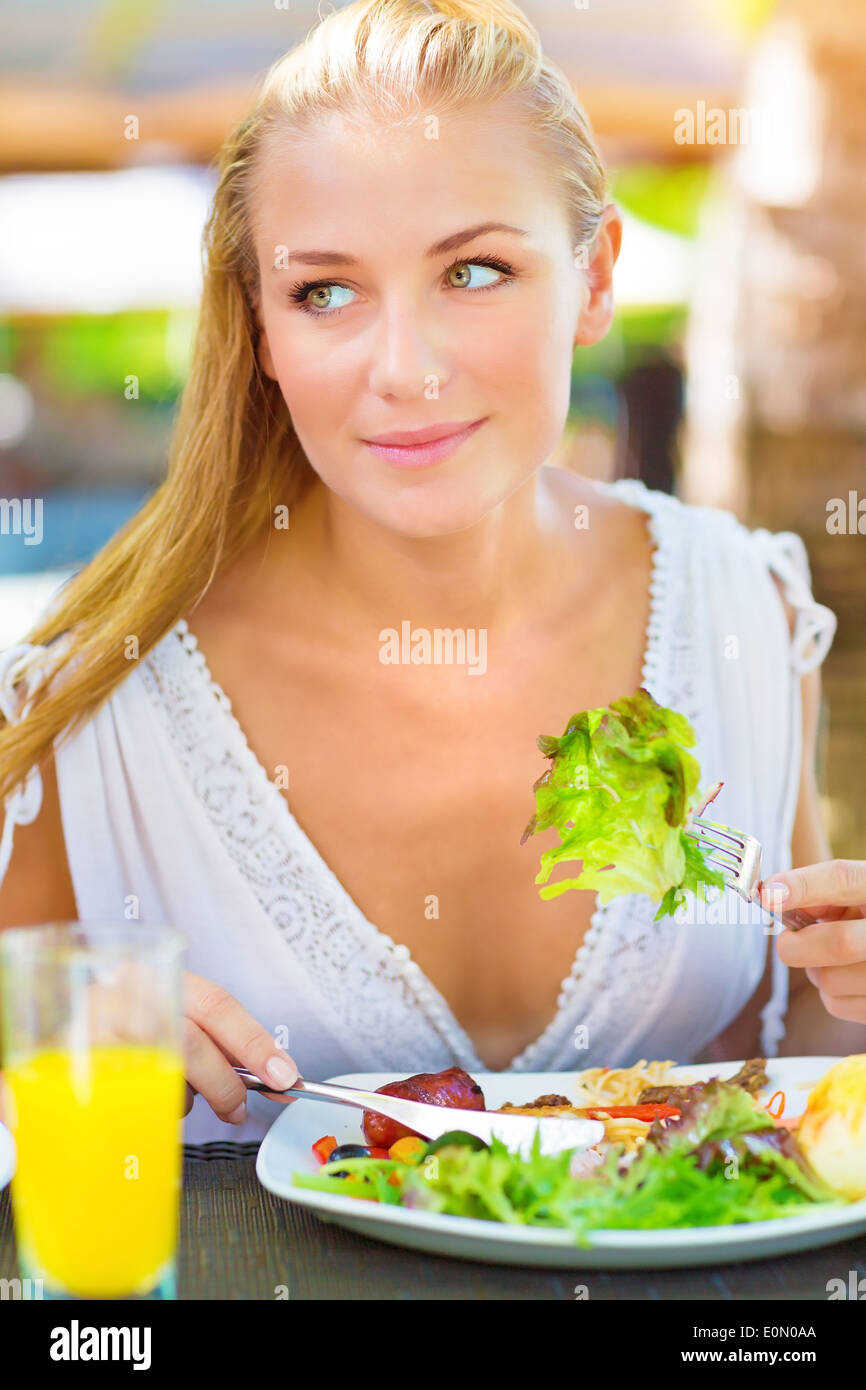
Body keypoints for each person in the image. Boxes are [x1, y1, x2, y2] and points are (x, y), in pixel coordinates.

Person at [1, 0, 864, 1146]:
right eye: (326, 291)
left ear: (594, 274)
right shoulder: (104, 690)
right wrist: (63, 1046)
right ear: (261, 327)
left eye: (472, 271)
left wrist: (847, 994)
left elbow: (789, 1052)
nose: (402, 369)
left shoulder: (740, 610)